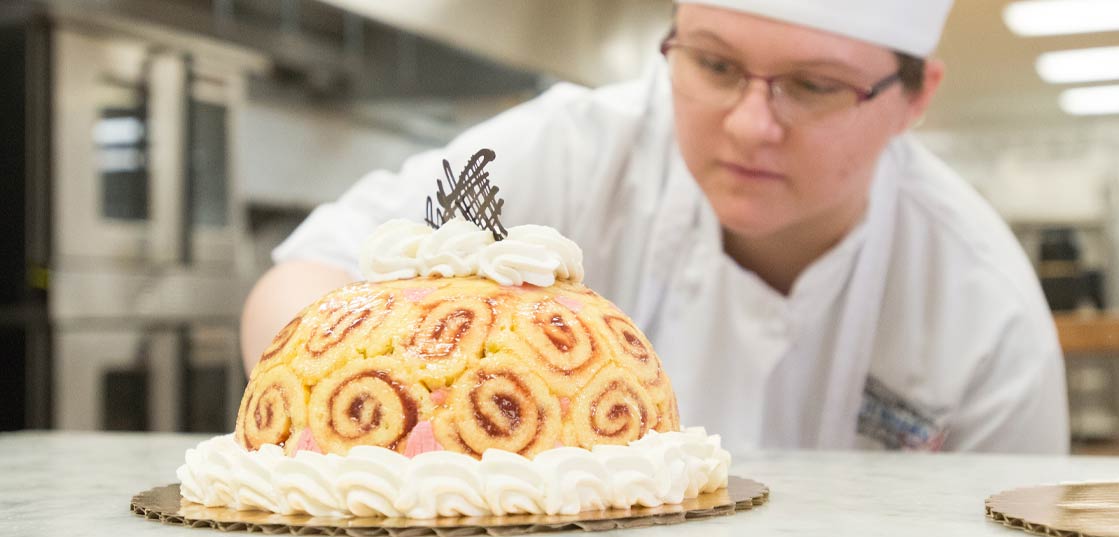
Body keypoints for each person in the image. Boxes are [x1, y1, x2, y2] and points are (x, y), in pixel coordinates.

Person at [242, 0, 1069, 454]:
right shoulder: (574, 149)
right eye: (713, 65)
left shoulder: (982, 311)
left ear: (916, 98)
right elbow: (311, 271)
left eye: (814, 86)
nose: (750, 125)